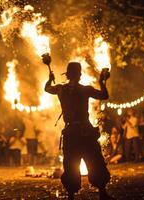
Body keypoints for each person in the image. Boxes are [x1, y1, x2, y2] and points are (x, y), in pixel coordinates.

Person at [43, 55, 113, 200]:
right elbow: (104, 95)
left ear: (67, 74)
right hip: (85, 132)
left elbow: (47, 88)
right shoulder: (85, 89)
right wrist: (102, 81)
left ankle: (71, 195)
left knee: (71, 163)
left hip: (71, 133)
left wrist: (50, 78)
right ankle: (102, 192)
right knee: (95, 161)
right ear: (79, 75)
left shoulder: (60, 89)